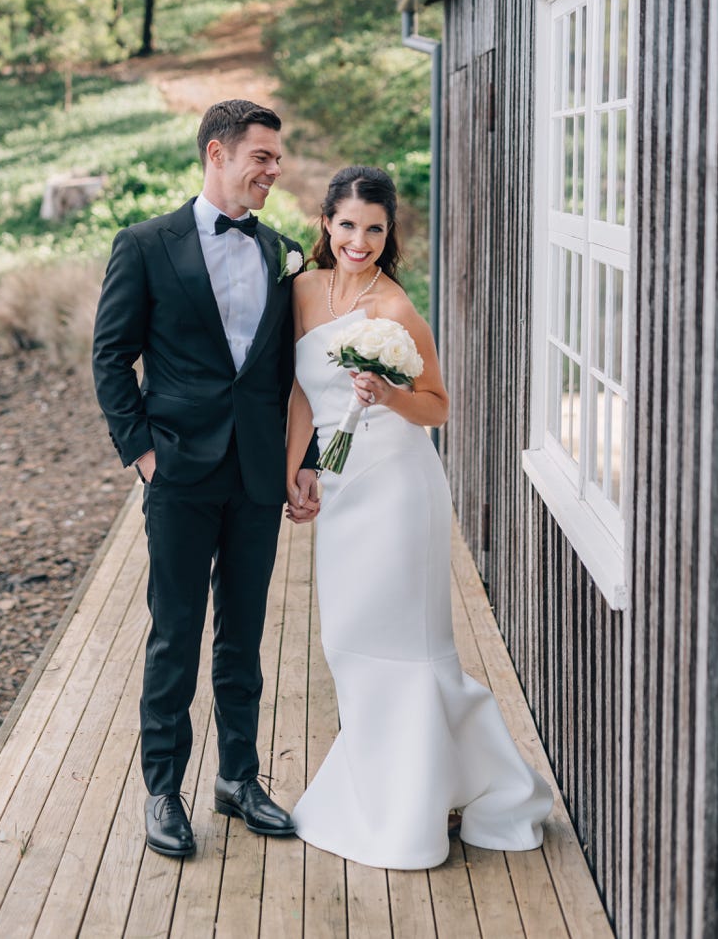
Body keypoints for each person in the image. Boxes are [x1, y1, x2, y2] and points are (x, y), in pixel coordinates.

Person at [285, 166, 553, 869]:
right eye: (348, 225)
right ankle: (395, 785)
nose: (360, 241)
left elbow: (437, 405)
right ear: (327, 224)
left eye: (374, 229)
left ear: (387, 234)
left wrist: (387, 393)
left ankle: (415, 806)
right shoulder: (304, 292)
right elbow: (302, 394)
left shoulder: (396, 307)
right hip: (343, 491)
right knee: (347, 639)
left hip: (400, 488)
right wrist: (298, 466)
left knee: (406, 646)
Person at [93, 99, 320, 859]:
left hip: (257, 472)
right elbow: (110, 358)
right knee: (175, 633)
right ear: (217, 154)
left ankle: (238, 779)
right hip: (180, 471)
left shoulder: (282, 252)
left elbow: (295, 372)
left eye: (276, 159)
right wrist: (143, 453)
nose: (273, 170)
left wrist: (304, 464)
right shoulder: (145, 244)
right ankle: (163, 791)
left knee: (244, 635)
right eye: (262, 156)